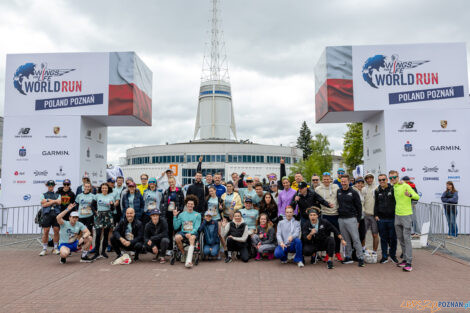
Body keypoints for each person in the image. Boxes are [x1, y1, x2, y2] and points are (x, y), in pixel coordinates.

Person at [390, 170, 420, 272]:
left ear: (398, 177)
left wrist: (410, 195)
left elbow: (417, 196)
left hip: (406, 215)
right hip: (397, 215)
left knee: (407, 239)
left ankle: (409, 263)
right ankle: (405, 259)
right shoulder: (394, 186)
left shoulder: (406, 186)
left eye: (394, 177)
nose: (392, 179)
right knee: (401, 239)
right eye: (391, 178)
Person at [337, 175, 364, 267]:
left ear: (349, 182)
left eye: (345, 181)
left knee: (356, 239)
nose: (343, 183)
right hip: (341, 219)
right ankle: (348, 256)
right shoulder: (338, 191)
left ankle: (360, 258)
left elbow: (359, 207)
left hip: (351, 219)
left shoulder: (353, 192)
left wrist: (358, 220)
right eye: (342, 181)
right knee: (346, 239)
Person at [315, 172, 342, 261]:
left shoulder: (336, 187)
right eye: (324, 179)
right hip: (325, 215)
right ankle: (328, 254)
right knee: (326, 236)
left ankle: (337, 252)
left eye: (328, 179)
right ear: (322, 180)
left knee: (337, 235)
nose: (326, 181)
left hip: (335, 215)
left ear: (330, 179)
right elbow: (316, 200)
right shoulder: (318, 189)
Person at [374, 174, 398, 264]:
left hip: (392, 218)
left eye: (383, 179)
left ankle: (392, 255)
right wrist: (375, 215)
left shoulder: (393, 189)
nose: (382, 181)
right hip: (381, 219)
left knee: (393, 238)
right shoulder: (377, 190)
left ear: (387, 179)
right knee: (383, 238)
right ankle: (384, 256)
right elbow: (376, 203)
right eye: (380, 180)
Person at [173, 195, 201, 268]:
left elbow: (197, 227)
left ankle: (189, 260)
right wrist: (175, 216)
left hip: (193, 232)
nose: (190, 205)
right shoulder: (181, 214)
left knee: (192, 238)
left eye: (192, 204)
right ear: (186, 204)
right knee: (177, 237)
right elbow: (176, 226)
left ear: (194, 205)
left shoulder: (198, 215)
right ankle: (183, 254)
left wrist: (190, 233)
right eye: (188, 204)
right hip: (183, 232)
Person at [92, 183, 115, 259]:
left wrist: (112, 205)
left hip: (108, 215)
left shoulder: (111, 196)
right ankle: (96, 252)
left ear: (108, 189)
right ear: (101, 189)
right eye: (103, 188)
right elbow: (92, 205)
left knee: (106, 234)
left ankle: (103, 252)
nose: (104, 189)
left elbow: (112, 209)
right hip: (99, 215)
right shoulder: (97, 196)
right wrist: (95, 213)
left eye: (106, 188)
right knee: (98, 234)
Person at [39, 180, 62, 256]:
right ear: (47, 186)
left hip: (56, 214)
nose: (51, 186)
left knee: (56, 230)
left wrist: (48, 201)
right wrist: (53, 201)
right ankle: (44, 249)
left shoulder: (58, 194)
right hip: (47, 214)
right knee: (46, 231)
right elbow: (43, 204)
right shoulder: (43, 194)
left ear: (54, 186)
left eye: (52, 185)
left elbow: (59, 202)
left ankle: (55, 248)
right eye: (49, 185)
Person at [363, 173, 379, 254]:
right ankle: (363, 250)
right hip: (365, 215)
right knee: (363, 234)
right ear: (365, 180)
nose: (369, 180)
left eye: (371, 178)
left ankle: (375, 252)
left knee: (375, 235)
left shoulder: (377, 188)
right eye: (367, 178)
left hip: (374, 216)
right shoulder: (363, 189)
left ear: (373, 179)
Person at [353, 177, 366, 259]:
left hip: (362, 217)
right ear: (355, 183)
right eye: (358, 183)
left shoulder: (362, 191)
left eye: (361, 183)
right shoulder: (354, 191)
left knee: (362, 235)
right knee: (355, 236)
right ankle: (354, 254)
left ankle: (358, 252)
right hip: (355, 217)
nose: (360, 184)